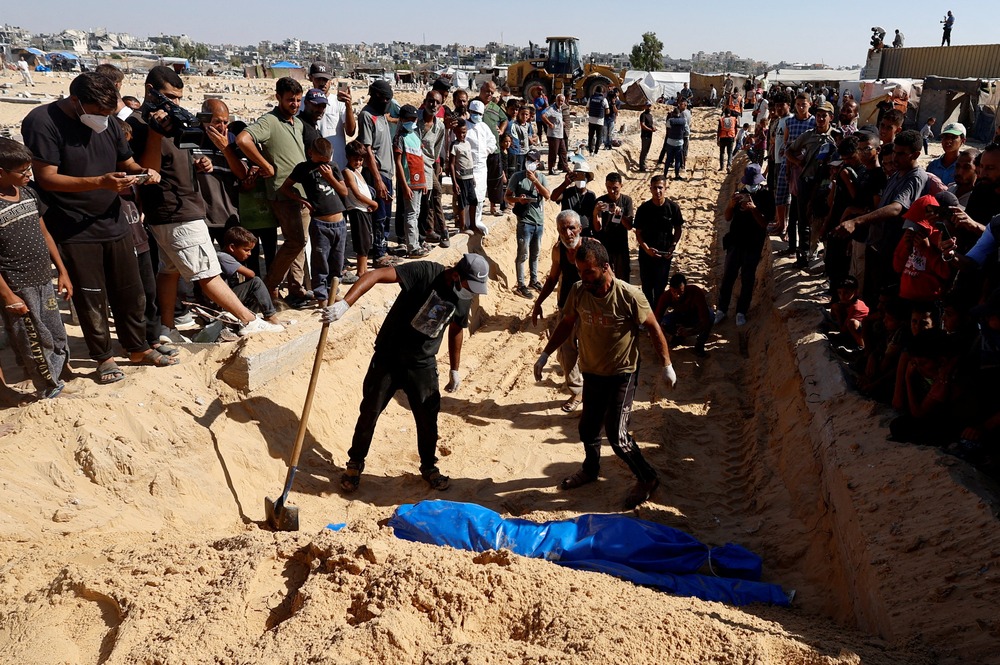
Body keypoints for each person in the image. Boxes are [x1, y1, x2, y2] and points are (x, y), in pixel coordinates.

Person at [21, 72, 169, 384]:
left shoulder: (110, 122)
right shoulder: (42, 121)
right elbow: (47, 176)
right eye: (99, 113)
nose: (104, 120)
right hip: (73, 226)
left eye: (109, 113)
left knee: (131, 292)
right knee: (91, 297)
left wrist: (143, 172)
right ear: (76, 101)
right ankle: (103, 357)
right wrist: (100, 181)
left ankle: (138, 348)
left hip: (113, 220)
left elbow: (125, 162)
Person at [323, 253, 490, 494]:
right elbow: (376, 274)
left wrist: (455, 369)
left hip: (422, 363)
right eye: (469, 285)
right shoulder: (426, 272)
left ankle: (429, 467)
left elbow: (456, 330)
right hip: (388, 357)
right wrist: (344, 305)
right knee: (369, 411)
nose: (471, 292)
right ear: (456, 275)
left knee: (427, 418)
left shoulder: (464, 298)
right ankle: (355, 463)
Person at [532, 238, 676, 509]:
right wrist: (545, 354)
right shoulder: (578, 291)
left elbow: (654, 329)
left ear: (605, 267)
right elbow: (567, 323)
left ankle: (647, 478)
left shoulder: (629, 295)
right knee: (587, 428)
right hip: (592, 372)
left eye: (589, 271)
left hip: (622, 374)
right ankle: (591, 468)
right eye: (579, 271)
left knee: (617, 436)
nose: (583, 277)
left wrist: (666, 365)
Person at [0, 137, 73, 399]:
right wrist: (9, 296)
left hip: (44, 278)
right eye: (22, 171)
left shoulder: (29, 193)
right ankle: (48, 389)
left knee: (55, 332)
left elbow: (45, 234)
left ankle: (58, 378)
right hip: (19, 285)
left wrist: (62, 272)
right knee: (34, 341)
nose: (29, 175)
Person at [237, 77, 315, 303]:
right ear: (278, 97)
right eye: (291, 100)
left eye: (298, 100)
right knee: (295, 242)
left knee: (300, 242)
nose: (295, 104)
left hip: (302, 193)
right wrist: (265, 165)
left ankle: (295, 288)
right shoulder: (269, 122)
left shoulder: (298, 123)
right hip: (283, 194)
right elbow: (243, 139)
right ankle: (270, 285)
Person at [280, 137, 351, 306]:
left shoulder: (332, 167)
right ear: (311, 153)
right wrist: (303, 200)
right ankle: (321, 297)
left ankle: (333, 291)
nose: (324, 164)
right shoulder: (303, 168)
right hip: (321, 224)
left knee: (337, 261)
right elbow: (285, 187)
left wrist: (329, 177)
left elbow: (344, 191)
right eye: (320, 160)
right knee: (320, 262)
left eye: (327, 160)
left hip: (339, 223)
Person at [530, 210, 585, 412]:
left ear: (579, 228)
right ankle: (577, 391)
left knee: (593, 350)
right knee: (566, 351)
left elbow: (607, 277)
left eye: (572, 228)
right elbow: (553, 278)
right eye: (563, 229)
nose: (568, 233)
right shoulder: (558, 250)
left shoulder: (591, 248)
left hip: (589, 308)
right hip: (566, 307)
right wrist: (538, 302)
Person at [716, 164, 774, 328]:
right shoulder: (740, 194)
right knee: (728, 277)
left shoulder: (766, 196)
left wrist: (754, 209)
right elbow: (727, 217)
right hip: (735, 243)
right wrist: (731, 205)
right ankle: (722, 309)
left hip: (753, 245)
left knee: (748, 279)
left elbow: (764, 224)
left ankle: (741, 311)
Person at [633, 175, 684, 308]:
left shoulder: (673, 208)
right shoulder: (643, 209)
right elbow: (638, 233)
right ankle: (648, 313)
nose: (658, 191)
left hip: (664, 254)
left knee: (660, 287)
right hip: (646, 255)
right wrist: (646, 249)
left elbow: (678, 229)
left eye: (660, 188)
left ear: (665, 188)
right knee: (647, 287)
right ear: (650, 189)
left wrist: (672, 247)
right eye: (655, 188)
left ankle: (658, 313)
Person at [505, 149, 550, 298]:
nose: (529, 163)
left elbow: (547, 195)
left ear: (537, 163)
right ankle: (521, 284)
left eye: (532, 161)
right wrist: (519, 199)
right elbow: (507, 197)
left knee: (535, 253)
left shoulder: (541, 177)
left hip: (539, 222)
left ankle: (534, 280)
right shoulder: (517, 177)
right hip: (524, 222)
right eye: (527, 160)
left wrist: (535, 181)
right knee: (523, 254)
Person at [217, 226, 281, 324]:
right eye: (246, 250)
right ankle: (270, 316)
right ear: (232, 247)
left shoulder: (229, 256)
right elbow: (251, 274)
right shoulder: (223, 257)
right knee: (256, 282)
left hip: (229, 296)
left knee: (257, 294)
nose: (249, 254)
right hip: (221, 302)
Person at [304, 61, 356, 170]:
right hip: (312, 165)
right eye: (318, 79)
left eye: (325, 80)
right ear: (310, 78)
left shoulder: (338, 102)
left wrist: (348, 106)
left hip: (337, 164)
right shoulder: (303, 103)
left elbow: (350, 132)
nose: (322, 83)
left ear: (331, 81)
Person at [342, 140, 379, 280]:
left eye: (360, 159)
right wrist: (373, 203)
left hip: (363, 209)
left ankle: (363, 270)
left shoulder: (357, 171)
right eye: (355, 159)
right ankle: (361, 272)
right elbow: (357, 194)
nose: (358, 162)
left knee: (365, 241)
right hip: (357, 210)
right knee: (361, 241)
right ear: (348, 158)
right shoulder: (347, 172)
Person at [416, 90, 449, 247]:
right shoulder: (414, 119)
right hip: (410, 168)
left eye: (437, 102)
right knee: (412, 205)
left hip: (428, 168)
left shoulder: (440, 127)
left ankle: (439, 232)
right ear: (425, 101)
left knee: (430, 199)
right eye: (430, 101)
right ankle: (412, 238)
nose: (433, 105)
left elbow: (435, 152)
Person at [655, 273, 714, 357]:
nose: (677, 295)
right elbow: (657, 318)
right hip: (679, 316)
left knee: (711, 316)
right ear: (670, 289)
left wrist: (690, 332)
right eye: (674, 292)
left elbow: (705, 319)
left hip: (695, 316)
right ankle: (678, 336)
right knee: (665, 322)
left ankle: (699, 345)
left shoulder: (695, 292)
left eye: (680, 292)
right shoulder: (666, 296)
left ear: (685, 288)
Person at [593, 171, 635, 282]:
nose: (612, 191)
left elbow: (629, 226)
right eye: (609, 187)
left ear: (621, 185)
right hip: (604, 245)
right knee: (605, 278)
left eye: (615, 188)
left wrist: (620, 215)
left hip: (620, 245)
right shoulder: (601, 201)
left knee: (623, 277)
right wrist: (596, 212)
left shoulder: (626, 201)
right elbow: (597, 227)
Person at [476, 81, 508, 217]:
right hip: (478, 150)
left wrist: (501, 130)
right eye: (487, 91)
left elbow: (504, 119)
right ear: (481, 90)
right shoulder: (474, 105)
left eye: (492, 92)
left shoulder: (495, 107)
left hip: (493, 149)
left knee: (495, 178)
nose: (489, 94)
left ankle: (493, 206)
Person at [466, 99, 497, 235]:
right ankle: (468, 222)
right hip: (469, 167)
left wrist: (487, 150)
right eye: (474, 113)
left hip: (482, 167)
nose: (476, 115)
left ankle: (477, 220)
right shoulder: (465, 127)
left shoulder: (483, 126)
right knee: (469, 196)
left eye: (479, 113)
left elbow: (492, 141)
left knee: (479, 195)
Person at [550, 161, 597, 236]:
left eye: (583, 175)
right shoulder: (567, 192)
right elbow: (553, 197)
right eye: (578, 175)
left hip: (585, 232)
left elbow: (593, 215)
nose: (581, 178)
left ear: (587, 178)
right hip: (568, 233)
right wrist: (565, 183)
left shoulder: (591, 195)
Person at [449, 121, 477, 234]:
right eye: (460, 133)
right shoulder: (455, 146)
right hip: (461, 179)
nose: (462, 135)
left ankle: (473, 224)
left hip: (470, 177)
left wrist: (473, 177)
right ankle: (463, 227)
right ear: (455, 132)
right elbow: (451, 164)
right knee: (462, 203)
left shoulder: (467, 144)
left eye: (464, 133)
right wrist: (454, 182)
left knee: (473, 201)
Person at [543, 94, 570, 175]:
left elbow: (557, 118)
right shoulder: (551, 108)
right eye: (559, 100)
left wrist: (562, 123)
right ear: (556, 100)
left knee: (563, 152)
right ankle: (551, 169)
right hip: (553, 135)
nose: (560, 102)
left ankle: (565, 167)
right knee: (553, 153)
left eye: (562, 101)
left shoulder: (560, 109)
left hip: (560, 135)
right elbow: (543, 116)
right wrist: (549, 124)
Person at [586, 89, 609, 156]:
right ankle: (596, 152)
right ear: (602, 92)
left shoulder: (591, 98)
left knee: (590, 136)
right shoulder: (604, 100)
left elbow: (587, 108)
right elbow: (607, 111)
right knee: (598, 137)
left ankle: (590, 151)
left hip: (591, 120)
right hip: (600, 121)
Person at [638, 101, 655, 172]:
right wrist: (650, 130)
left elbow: (650, 124)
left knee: (647, 150)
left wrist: (653, 128)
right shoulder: (643, 115)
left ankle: (644, 164)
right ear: (645, 107)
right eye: (648, 106)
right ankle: (642, 166)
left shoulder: (650, 115)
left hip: (650, 135)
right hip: (645, 135)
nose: (649, 107)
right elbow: (642, 125)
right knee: (644, 150)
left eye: (650, 106)